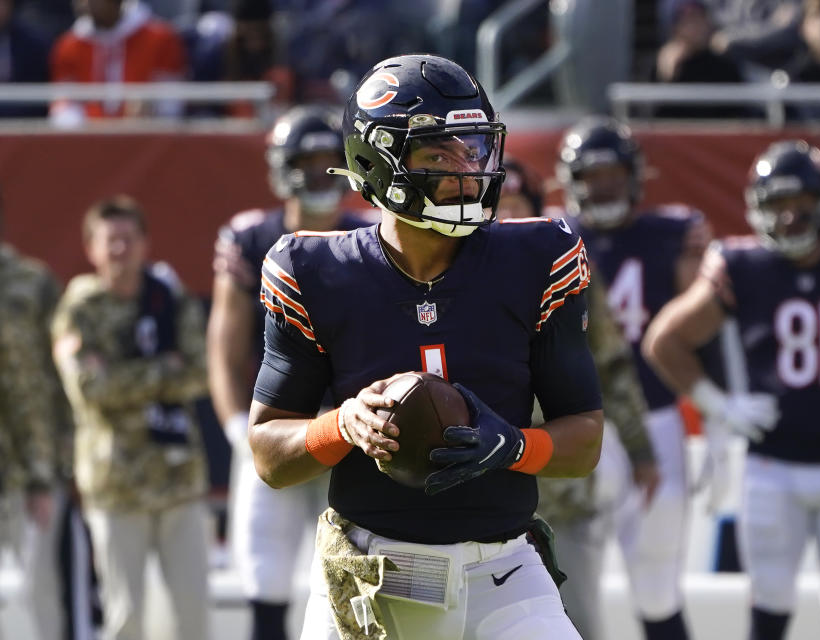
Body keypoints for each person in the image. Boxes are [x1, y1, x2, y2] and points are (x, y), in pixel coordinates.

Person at [248, 53, 603, 640]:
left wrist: (513, 445)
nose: (467, 171)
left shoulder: (539, 257)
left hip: (503, 569)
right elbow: (268, 454)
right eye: (438, 154)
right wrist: (343, 425)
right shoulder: (313, 270)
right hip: (370, 573)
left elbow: (584, 439)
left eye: (473, 149)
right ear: (379, 162)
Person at [643, 140, 820, 640]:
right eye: (778, 206)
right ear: (757, 207)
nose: (790, 218)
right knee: (768, 614)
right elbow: (664, 340)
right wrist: (716, 405)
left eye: (802, 205)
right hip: (773, 465)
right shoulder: (741, 266)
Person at [207, 105, 371, 640]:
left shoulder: (369, 235)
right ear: (282, 168)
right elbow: (225, 347)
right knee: (266, 577)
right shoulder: (251, 239)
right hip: (278, 426)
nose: (322, 173)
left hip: (350, 431)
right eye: (308, 161)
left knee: (362, 579)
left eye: (331, 161)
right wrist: (238, 429)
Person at [556, 115, 712, 640]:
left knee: (656, 586)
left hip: (656, 417)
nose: (602, 186)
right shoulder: (553, 238)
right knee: (569, 585)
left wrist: (717, 411)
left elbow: (708, 330)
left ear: (634, 176)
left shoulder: (671, 235)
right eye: (592, 175)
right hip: (576, 424)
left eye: (612, 174)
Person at [496, 155, 658, 640]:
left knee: (576, 624)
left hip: (562, 488)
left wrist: (641, 450)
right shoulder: (449, 275)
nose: (505, 216)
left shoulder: (567, 269)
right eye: (497, 204)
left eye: (516, 204)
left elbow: (611, 365)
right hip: (479, 492)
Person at [51, 196, 210, 640]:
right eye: (110, 241)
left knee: (192, 617)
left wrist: (122, 373)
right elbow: (88, 388)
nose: (120, 250)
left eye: (128, 239)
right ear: (91, 249)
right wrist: (163, 369)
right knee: (127, 620)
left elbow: (200, 374)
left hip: (179, 478)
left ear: (145, 243)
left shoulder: (169, 299)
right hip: (115, 483)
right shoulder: (81, 308)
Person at [0, 189, 98, 640]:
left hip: (30, 476)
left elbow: (61, 379)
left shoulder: (30, 282)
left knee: (45, 601)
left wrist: (60, 462)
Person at [49, 0, 186, 125]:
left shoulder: (161, 39)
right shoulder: (68, 45)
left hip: (147, 140)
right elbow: (63, 105)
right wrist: (81, 126)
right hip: (86, 143)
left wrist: (151, 107)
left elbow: (171, 104)